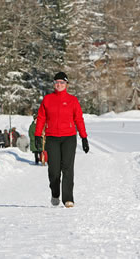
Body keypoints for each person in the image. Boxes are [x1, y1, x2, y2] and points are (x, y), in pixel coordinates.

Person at [35, 72, 89, 208]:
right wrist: (37, 135)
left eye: (62, 82)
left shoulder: (72, 100)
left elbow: (78, 119)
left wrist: (84, 137)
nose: (59, 85)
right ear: (54, 84)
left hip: (69, 137)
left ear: (66, 84)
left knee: (67, 168)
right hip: (52, 137)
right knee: (54, 170)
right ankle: (55, 193)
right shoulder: (47, 99)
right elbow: (41, 118)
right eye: (57, 82)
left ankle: (68, 199)